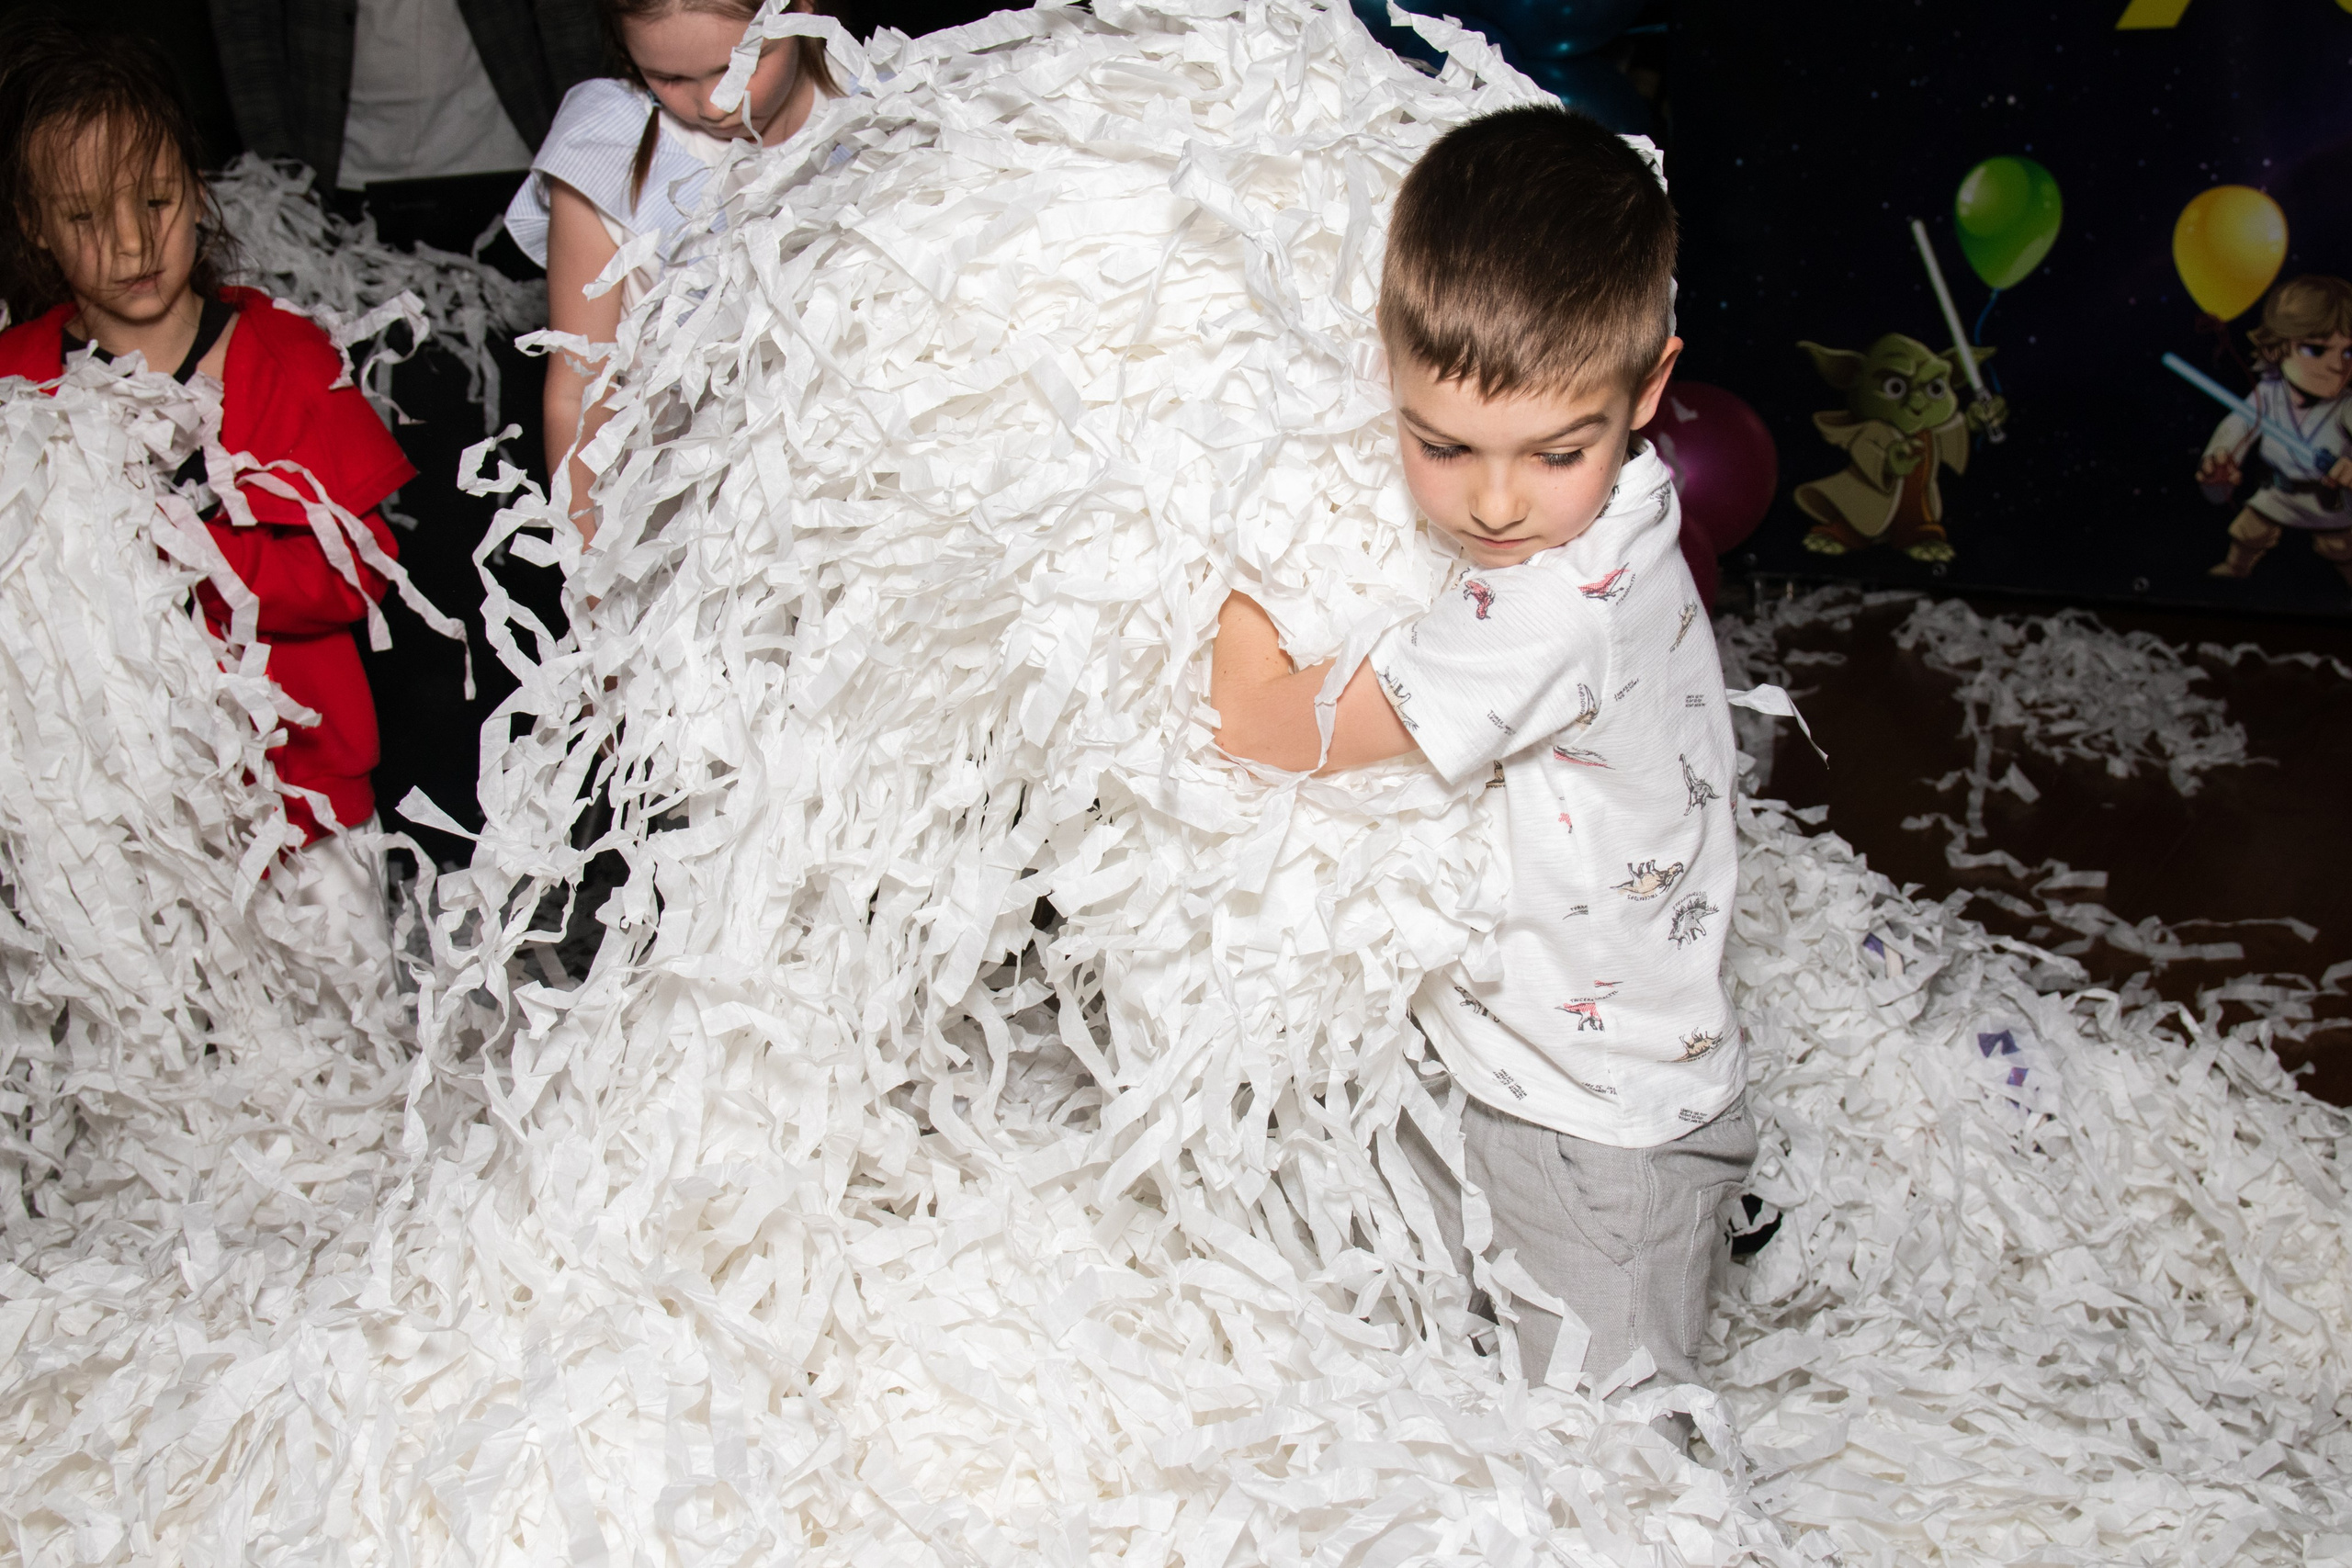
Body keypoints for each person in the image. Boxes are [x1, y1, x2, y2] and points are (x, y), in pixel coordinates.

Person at [1210, 107, 1754, 1419]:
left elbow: (1269, 726)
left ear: (1651, 388)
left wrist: (1235, 590)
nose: (1495, 503)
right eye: (1440, 444)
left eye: (1554, 451)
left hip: (1595, 1127)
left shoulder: (1551, 605)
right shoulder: (1625, 501)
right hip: (1544, 1056)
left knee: (1614, 1462)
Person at [0, 22, 417, 963]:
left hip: (301, 812)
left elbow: (361, 575)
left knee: (345, 1066)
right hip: (113, 826)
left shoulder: (289, 363)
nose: (132, 242)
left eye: (154, 200)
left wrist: (182, 550)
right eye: (83, 218)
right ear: (33, 227)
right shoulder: (17, 383)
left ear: (197, 190)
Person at [504, 0, 839, 544]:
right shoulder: (610, 143)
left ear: (800, 10)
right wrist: (589, 562)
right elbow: (578, 388)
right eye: (668, 77)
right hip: (679, 528)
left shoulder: (886, 107)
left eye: (740, 66)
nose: (712, 104)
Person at [2197, 274, 2352, 586]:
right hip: (2278, 494)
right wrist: (2218, 465)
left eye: (2349, 352)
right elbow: (2235, 429)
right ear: (2275, 349)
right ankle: (2235, 571)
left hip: (2330, 502)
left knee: (2342, 549)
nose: (2338, 365)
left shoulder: (2346, 406)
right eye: (2316, 350)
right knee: (2248, 533)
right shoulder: (2266, 395)